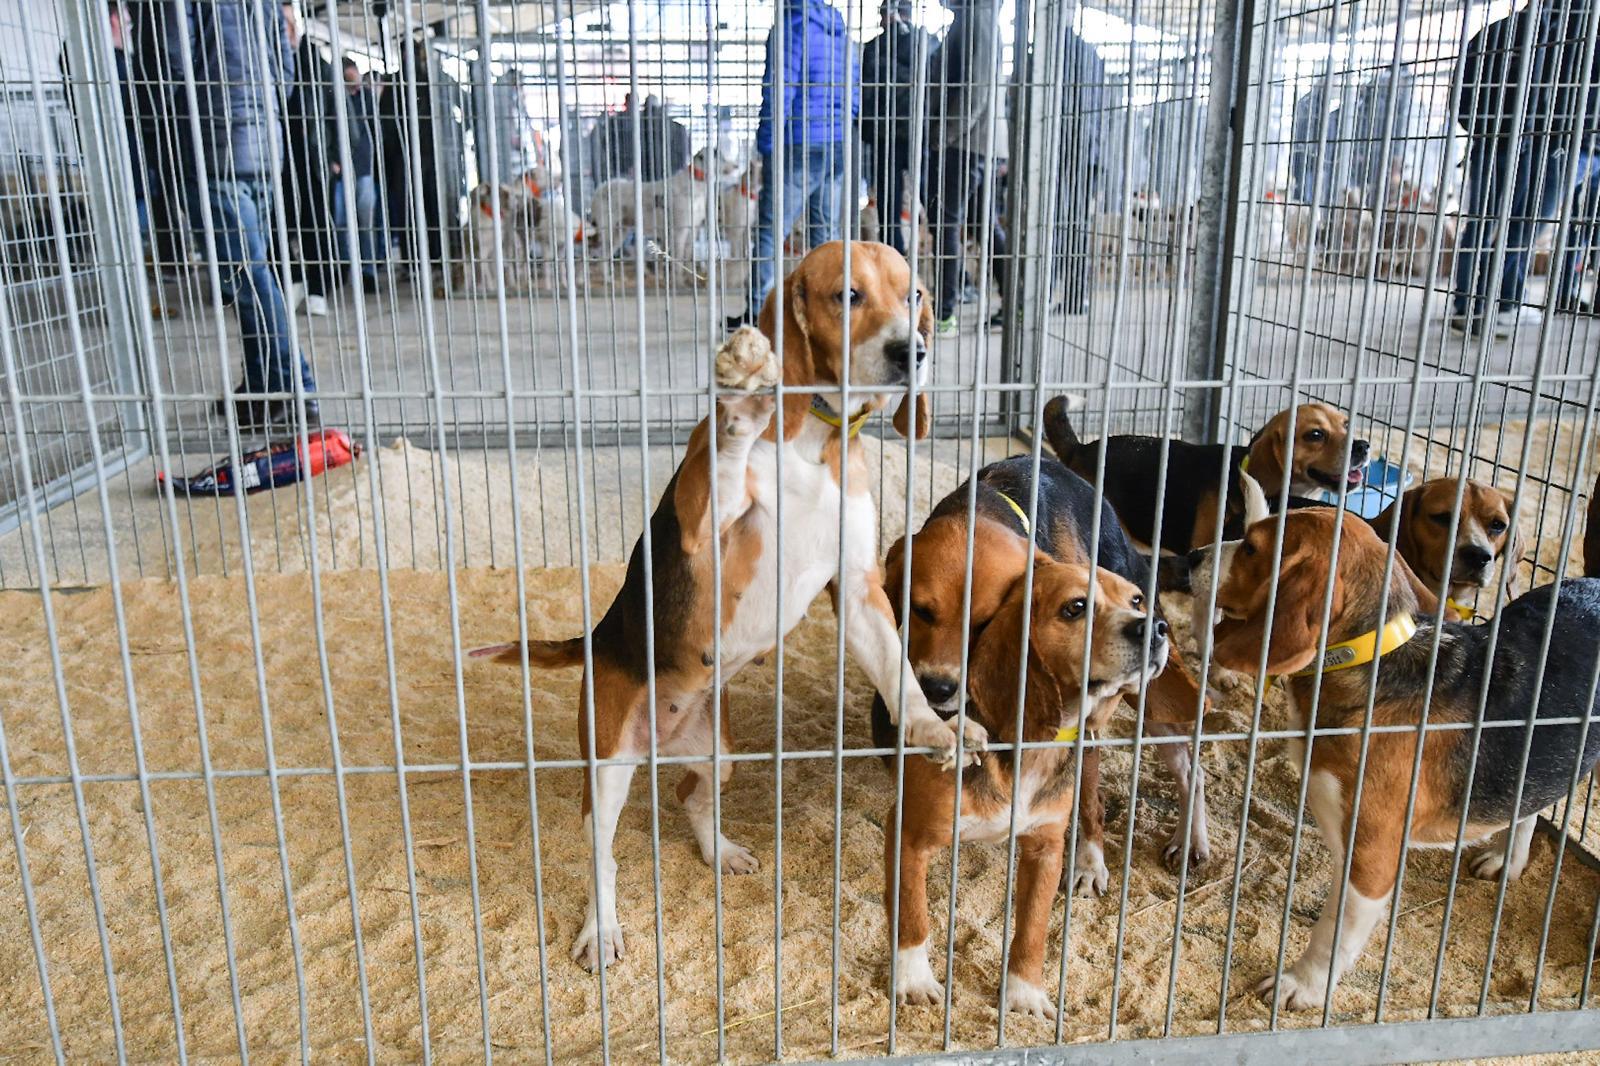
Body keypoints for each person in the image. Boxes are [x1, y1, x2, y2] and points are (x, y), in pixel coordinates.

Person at [160, 0, 318, 433]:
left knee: (247, 278)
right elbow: (286, 65)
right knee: (251, 274)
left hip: (213, 143)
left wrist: (169, 122)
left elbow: (172, 62)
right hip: (265, 146)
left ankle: (295, 389)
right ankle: (262, 390)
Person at [1451, 0, 1600, 338]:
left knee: (1487, 224)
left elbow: (1460, 94)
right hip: (1542, 145)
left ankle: (1476, 304)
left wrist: (1484, 130)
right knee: (1520, 228)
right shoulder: (1571, 41)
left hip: (1499, 142)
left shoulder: (1494, 33)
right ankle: (1495, 304)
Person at [729, 0, 860, 329]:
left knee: (771, 233)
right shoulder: (839, 30)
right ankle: (822, 316)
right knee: (825, 235)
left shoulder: (791, 26)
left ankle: (762, 318)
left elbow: (779, 90)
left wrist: (767, 145)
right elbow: (855, 93)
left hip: (799, 142)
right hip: (838, 143)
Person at [923, 0, 1000, 335]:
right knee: (985, 225)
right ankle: (1017, 303)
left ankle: (944, 314)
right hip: (976, 141)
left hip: (965, 141)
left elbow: (977, 88)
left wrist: (945, 134)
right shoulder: (971, 15)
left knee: (946, 224)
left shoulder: (977, 16)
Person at [861, 0, 933, 257]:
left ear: (889, 14)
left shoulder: (874, 48)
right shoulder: (926, 42)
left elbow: (867, 92)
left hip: (886, 137)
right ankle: (949, 264)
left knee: (890, 203)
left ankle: (894, 258)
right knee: (930, 196)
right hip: (917, 134)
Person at [280, 3, 337, 316]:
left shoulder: (312, 59)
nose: (287, 29)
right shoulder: (270, 56)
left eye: (291, 22)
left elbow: (332, 111)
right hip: (278, 154)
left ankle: (317, 288)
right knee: (281, 220)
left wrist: (335, 155)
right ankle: (294, 280)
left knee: (315, 220)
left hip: (310, 153)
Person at [333, 57, 383, 292]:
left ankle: (367, 272)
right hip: (342, 170)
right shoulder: (335, 98)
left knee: (365, 224)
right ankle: (345, 268)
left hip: (363, 169)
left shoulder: (365, 98)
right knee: (342, 224)